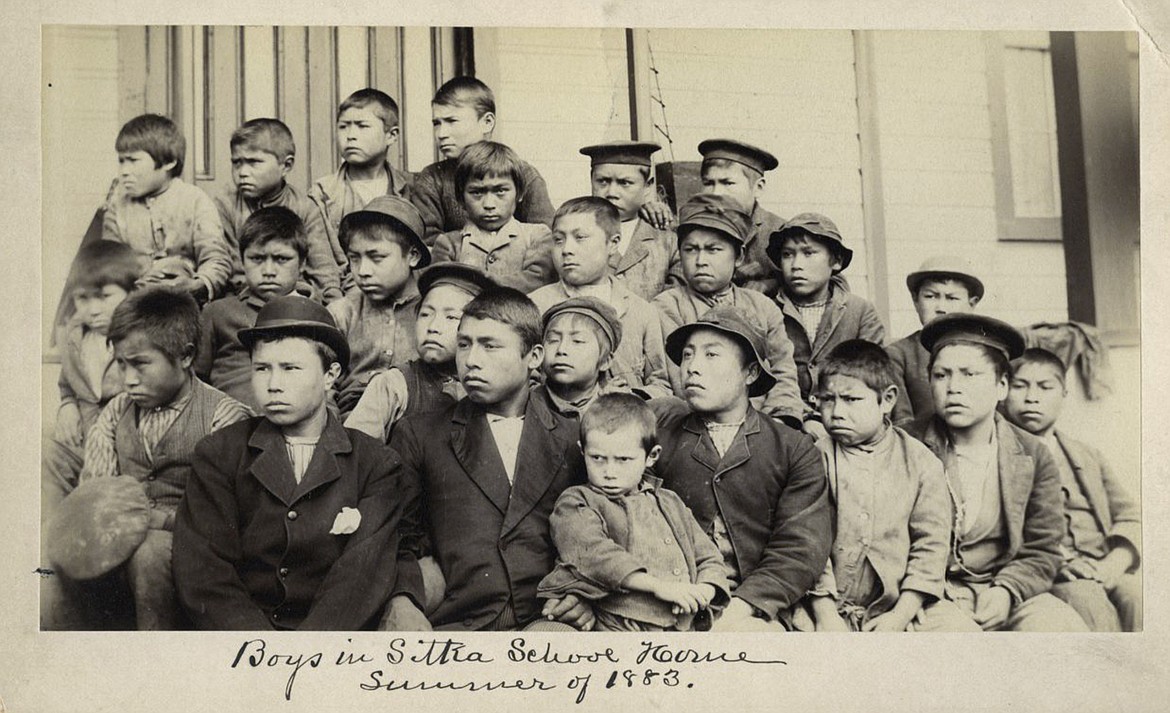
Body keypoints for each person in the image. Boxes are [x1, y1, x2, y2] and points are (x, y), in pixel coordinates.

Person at [173, 295, 405, 630]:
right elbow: (204, 571)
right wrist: (261, 650)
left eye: (291, 368)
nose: (273, 384)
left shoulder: (375, 463)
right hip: (243, 644)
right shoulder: (219, 453)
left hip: (329, 646)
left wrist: (302, 654)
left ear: (331, 375)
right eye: (262, 368)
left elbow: (360, 578)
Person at [385, 287, 593, 631]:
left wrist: (585, 593)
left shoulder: (575, 436)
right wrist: (402, 599)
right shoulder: (420, 435)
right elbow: (399, 537)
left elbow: (603, 524)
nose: (471, 359)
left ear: (534, 356)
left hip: (547, 621)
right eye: (464, 344)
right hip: (457, 623)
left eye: (490, 345)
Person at [42, 288, 251, 630]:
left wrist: (153, 521)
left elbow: (224, 519)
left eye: (140, 364)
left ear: (185, 357)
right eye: (121, 364)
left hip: (187, 552)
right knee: (52, 551)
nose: (128, 379)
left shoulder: (223, 416)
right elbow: (97, 492)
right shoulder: (116, 411)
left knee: (150, 553)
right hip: (117, 540)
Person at [651, 307, 832, 630]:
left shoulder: (793, 449)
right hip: (667, 603)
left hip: (751, 610)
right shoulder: (659, 432)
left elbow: (799, 549)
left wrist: (742, 610)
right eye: (688, 355)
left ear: (750, 373)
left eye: (711, 355)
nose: (692, 367)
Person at [906, 314, 1088, 631]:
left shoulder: (1032, 454)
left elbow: (1042, 549)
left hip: (1004, 586)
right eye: (941, 375)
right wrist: (911, 597)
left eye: (969, 374)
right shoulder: (905, 443)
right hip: (933, 593)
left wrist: (1007, 590)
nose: (953, 388)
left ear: (1002, 385)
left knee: (1062, 630)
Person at [795, 340, 967, 632]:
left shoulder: (921, 461)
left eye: (851, 400)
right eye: (827, 399)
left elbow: (931, 547)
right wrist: (825, 615)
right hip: (822, 606)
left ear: (887, 400)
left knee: (961, 636)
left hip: (899, 607)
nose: (836, 412)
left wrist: (901, 614)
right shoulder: (812, 457)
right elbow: (807, 541)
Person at [538, 393, 732, 631]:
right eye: (597, 458)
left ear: (651, 456)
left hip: (681, 626)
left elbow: (708, 556)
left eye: (623, 460)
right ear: (582, 451)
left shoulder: (670, 501)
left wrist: (704, 590)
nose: (609, 471)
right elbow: (595, 555)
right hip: (616, 624)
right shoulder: (577, 501)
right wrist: (658, 586)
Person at [1002, 348, 1141, 631]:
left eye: (1045, 387)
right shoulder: (999, 454)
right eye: (1020, 386)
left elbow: (1130, 514)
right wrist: (1062, 563)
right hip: (1053, 572)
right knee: (1089, 602)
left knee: (1141, 597)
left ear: (1064, 394)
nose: (1032, 397)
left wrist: (1117, 561)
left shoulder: (1086, 455)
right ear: (1003, 390)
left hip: (1103, 564)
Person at [653, 193, 803, 428]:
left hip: (763, 423)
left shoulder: (762, 307)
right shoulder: (666, 307)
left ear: (739, 256)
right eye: (691, 249)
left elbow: (783, 373)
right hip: (692, 426)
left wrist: (777, 423)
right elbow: (673, 379)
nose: (700, 260)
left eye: (713, 250)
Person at [528, 197, 672, 399]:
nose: (567, 249)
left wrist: (629, 396)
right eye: (559, 239)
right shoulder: (536, 305)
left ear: (612, 244)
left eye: (580, 238)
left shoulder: (641, 311)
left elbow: (660, 384)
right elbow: (525, 381)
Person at [345, 262, 497, 443]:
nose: (433, 327)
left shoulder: (493, 387)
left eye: (451, 317)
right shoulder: (393, 385)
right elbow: (354, 459)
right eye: (426, 314)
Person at [44, 241, 141, 514]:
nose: (92, 309)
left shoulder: (142, 337)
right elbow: (68, 382)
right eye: (82, 299)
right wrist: (67, 404)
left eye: (104, 296)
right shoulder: (75, 335)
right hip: (83, 438)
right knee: (44, 453)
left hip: (126, 445)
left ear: (131, 292)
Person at [195, 206, 317, 411]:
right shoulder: (218, 313)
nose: (269, 271)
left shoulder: (315, 314)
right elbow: (196, 379)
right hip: (228, 423)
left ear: (302, 263)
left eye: (281, 259)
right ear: (242, 260)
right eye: (257, 259)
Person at [101, 114, 233, 302]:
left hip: (187, 302)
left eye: (133, 160)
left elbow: (216, 259)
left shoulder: (194, 200)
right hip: (135, 301)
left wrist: (199, 284)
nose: (124, 171)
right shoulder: (118, 206)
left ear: (169, 162)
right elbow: (109, 262)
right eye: (121, 161)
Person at [214, 118, 342, 303]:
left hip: (295, 300)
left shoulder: (305, 207)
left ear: (286, 166)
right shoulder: (225, 205)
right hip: (243, 301)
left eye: (253, 162)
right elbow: (234, 268)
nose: (242, 172)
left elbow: (323, 269)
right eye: (237, 163)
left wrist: (333, 305)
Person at [410, 77, 555, 240]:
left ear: (487, 122)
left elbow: (546, 237)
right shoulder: (432, 179)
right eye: (437, 123)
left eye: (452, 121)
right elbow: (427, 241)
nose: (441, 134)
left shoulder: (524, 174)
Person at [327, 196, 431, 416]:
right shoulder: (342, 313)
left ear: (412, 256)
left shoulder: (433, 311)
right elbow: (324, 386)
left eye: (377, 257)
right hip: (352, 423)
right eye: (354, 258)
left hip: (417, 419)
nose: (363, 270)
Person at [768, 212, 885, 406]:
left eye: (808, 253)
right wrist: (805, 418)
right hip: (788, 419)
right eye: (787, 255)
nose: (796, 265)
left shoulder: (860, 312)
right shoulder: (768, 310)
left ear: (836, 261)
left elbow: (870, 381)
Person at [307, 88, 413, 275]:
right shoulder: (322, 193)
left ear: (391, 135)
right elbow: (321, 260)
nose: (350, 135)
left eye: (362, 126)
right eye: (343, 126)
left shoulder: (411, 187)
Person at [431, 141, 556, 292]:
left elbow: (538, 280)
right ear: (461, 199)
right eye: (477, 192)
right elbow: (443, 291)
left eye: (500, 191)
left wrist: (478, 284)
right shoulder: (449, 244)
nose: (489, 204)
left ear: (520, 193)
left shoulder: (538, 236)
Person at [887, 256, 984, 425]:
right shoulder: (898, 354)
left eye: (952, 298)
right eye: (931, 296)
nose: (941, 308)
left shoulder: (986, 352)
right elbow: (901, 423)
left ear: (972, 304)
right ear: (916, 301)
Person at [579, 140, 681, 301]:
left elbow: (676, 298)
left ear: (647, 186)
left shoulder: (668, 240)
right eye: (603, 181)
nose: (612, 192)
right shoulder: (574, 233)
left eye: (625, 183)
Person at [696, 138, 785, 295]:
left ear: (758, 187)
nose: (716, 193)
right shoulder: (688, 230)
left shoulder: (781, 231)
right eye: (708, 183)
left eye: (727, 183)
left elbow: (828, 281)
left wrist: (773, 283)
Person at [535, 296, 624, 418]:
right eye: (553, 340)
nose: (561, 350)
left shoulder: (619, 409)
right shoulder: (527, 404)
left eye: (578, 341)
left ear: (605, 361)